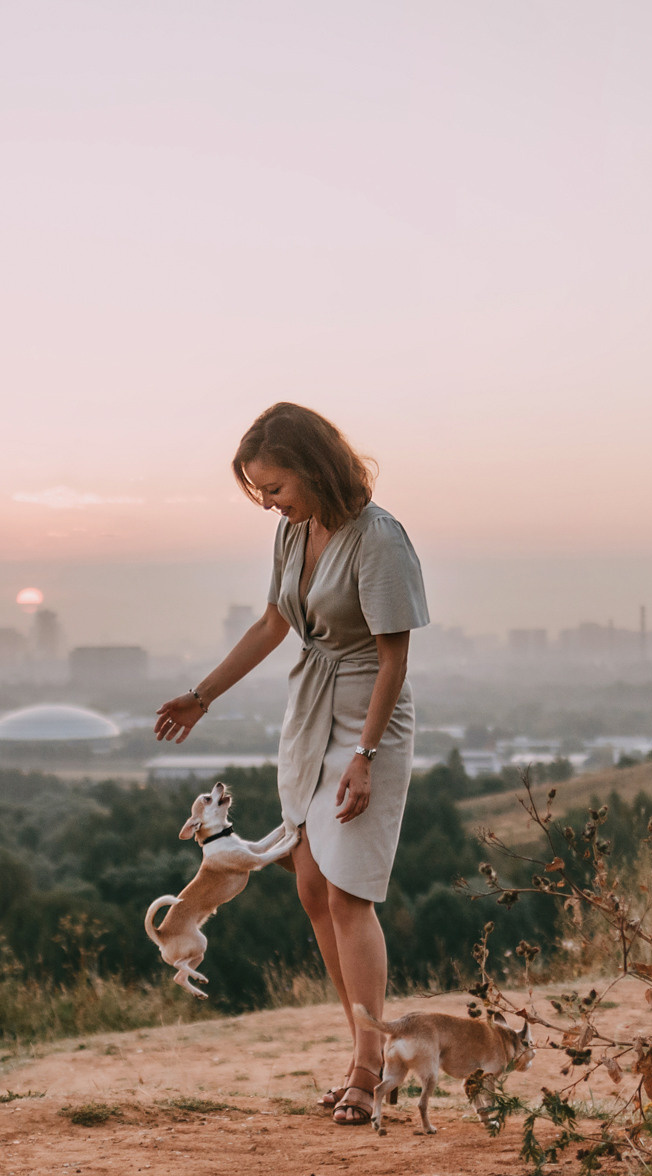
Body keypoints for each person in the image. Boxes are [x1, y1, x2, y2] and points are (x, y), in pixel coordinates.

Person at [154, 402, 428, 1126]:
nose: (268, 502)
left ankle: (370, 1071)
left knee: (348, 892)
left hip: (367, 717)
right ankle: (361, 1052)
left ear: (313, 466)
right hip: (309, 713)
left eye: (275, 487)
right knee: (310, 887)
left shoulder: (379, 538)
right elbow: (274, 622)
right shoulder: (293, 531)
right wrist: (201, 696)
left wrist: (365, 756)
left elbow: (395, 658)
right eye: (260, 491)